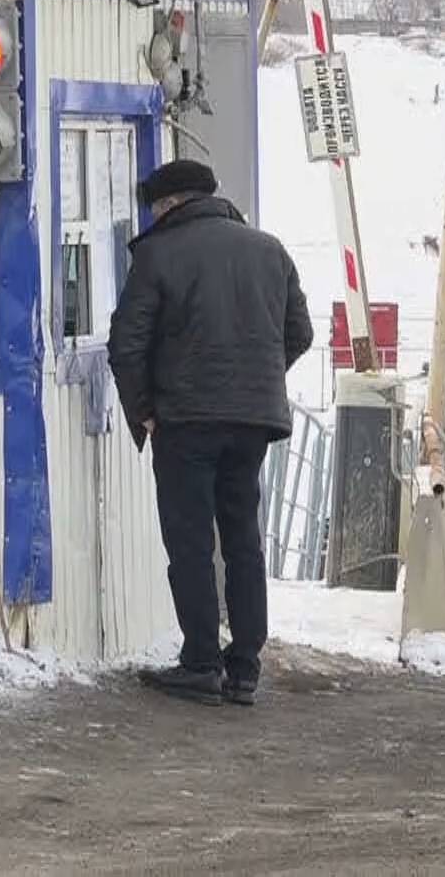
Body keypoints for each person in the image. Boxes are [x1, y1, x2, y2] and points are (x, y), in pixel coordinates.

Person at [109, 159, 314, 708]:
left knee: (191, 540)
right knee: (242, 537)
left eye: (154, 207)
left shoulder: (157, 254)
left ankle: (200, 661)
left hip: (185, 420)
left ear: (168, 204)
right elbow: (300, 332)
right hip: (251, 424)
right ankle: (244, 667)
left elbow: (125, 345)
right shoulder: (269, 249)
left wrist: (144, 410)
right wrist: (255, 380)